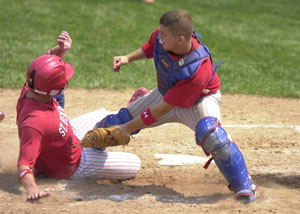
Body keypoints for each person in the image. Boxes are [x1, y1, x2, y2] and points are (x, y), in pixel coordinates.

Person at [99, 9, 258, 203]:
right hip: (167, 94)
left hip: (199, 101)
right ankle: (85, 153)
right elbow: (151, 47)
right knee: (116, 121)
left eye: (165, 35)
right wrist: (127, 58)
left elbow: (160, 110)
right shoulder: (161, 37)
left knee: (212, 135)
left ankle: (244, 185)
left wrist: (125, 130)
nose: (160, 37)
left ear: (180, 39)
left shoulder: (197, 69)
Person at [16, 31, 141, 200]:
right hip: (75, 164)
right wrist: (32, 189)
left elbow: (45, 64)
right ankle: (100, 138)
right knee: (134, 164)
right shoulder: (34, 124)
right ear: (55, 89)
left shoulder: (31, 88)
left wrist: (61, 50)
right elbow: (24, 165)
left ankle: (129, 110)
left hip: (68, 132)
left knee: (101, 112)